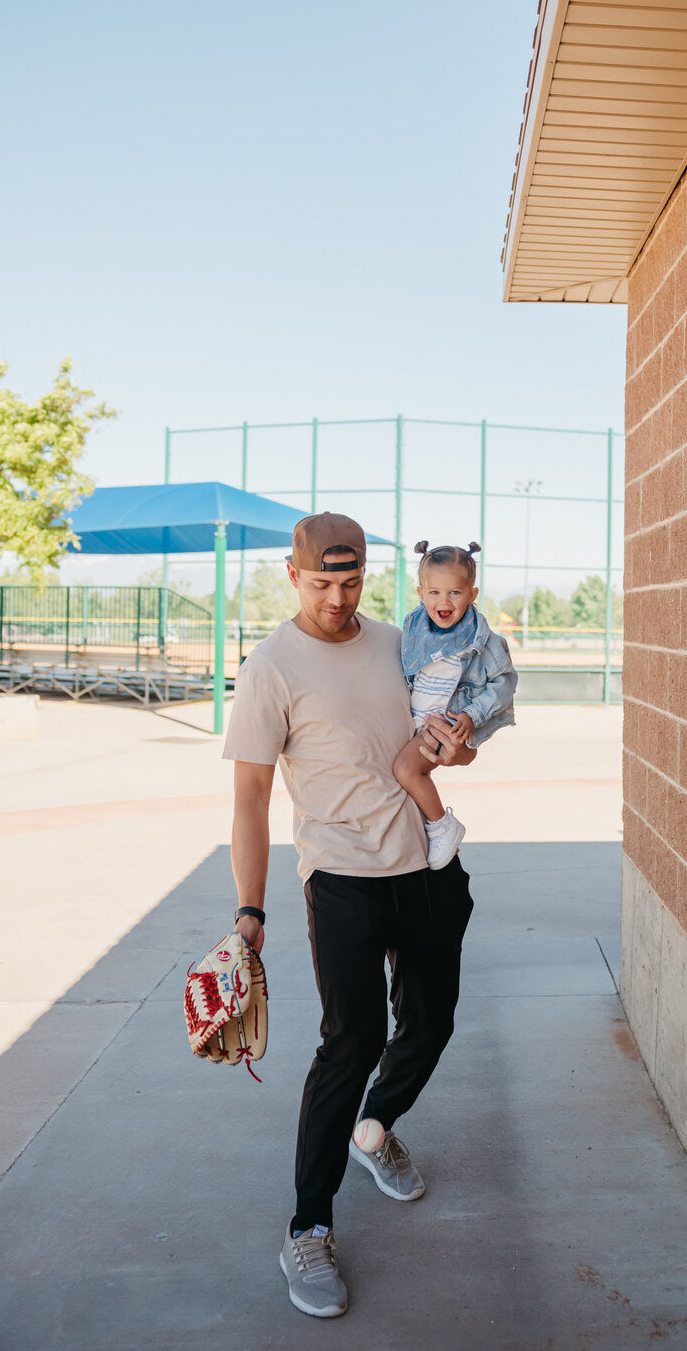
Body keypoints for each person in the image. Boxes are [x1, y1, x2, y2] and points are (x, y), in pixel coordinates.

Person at [222, 511, 475, 1320]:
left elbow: (444, 742)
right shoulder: (271, 666)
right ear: (291, 576)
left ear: (368, 573)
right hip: (342, 879)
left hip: (427, 869)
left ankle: (376, 1126)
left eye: (351, 580)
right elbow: (251, 797)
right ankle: (308, 1224)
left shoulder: (397, 642)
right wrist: (250, 907)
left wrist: (460, 740)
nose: (338, 597)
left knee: (430, 1023)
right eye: (322, 582)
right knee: (352, 1039)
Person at [393, 540, 517, 870]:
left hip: (446, 721)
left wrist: (471, 714)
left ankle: (442, 826)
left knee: (406, 769)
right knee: (405, 778)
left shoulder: (482, 640)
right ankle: (432, 835)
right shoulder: (415, 628)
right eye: (434, 593)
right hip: (417, 720)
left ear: (472, 594)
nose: (443, 601)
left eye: (455, 593)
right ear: (421, 594)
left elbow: (505, 683)